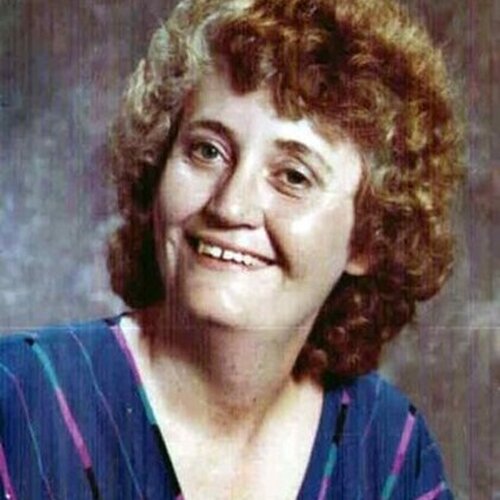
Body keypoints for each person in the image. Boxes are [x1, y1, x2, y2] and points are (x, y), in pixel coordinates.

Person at [0, 0, 463, 498]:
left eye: (293, 176)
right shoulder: (17, 399)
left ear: (370, 237)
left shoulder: (391, 453)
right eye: (207, 151)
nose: (230, 205)